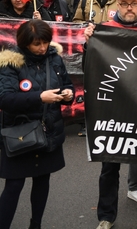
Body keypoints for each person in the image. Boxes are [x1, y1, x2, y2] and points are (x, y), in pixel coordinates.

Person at [84, 0, 137, 229]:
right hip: (114, 110)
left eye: (134, 3)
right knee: (110, 165)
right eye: (125, 3)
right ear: (117, 5)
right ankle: (106, 217)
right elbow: (92, 64)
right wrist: (89, 42)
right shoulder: (105, 30)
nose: (129, 8)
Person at [0, 20, 74, 229]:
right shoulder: (11, 62)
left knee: (42, 181)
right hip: (20, 133)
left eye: (45, 42)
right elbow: (5, 99)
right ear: (25, 43)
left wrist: (68, 94)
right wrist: (39, 97)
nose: (42, 48)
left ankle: (36, 224)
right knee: (14, 185)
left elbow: (67, 84)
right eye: (37, 44)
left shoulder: (55, 59)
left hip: (48, 130)